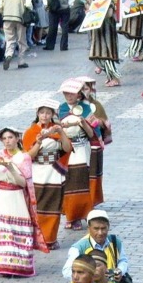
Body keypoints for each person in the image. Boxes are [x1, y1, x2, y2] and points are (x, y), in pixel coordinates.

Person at [0, 127, 48, 277]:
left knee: (19, 230)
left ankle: (20, 266)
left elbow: (23, 183)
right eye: (4, 138)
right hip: (1, 197)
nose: (7, 141)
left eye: (10, 137)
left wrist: (10, 168)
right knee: (3, 230)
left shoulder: (24, 158)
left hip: (16, 196)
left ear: (17, 139)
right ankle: (5, 265)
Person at [22, 99, 72, 249]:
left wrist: (60, 132)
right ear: (37, 114)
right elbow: (28, 156)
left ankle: (50, 238)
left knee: (53, 206)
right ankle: (36, 237)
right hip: (38, 171)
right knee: (37, 205)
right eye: (42, 112)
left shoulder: (55, 130)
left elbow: (67, 148)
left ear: (52, 114)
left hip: (54, 171)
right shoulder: (31, 132)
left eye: (48, 113)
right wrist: (39, 141)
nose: (44, 116)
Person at [56, 79, 98, 229]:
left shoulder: (86, 109)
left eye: (72, 93)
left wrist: (82, 122)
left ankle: (80, 215)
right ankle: (69, 215)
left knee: (80, 180)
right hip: (65, 148)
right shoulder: (59, 109)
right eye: (66, 93)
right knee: (67, 182)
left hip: (81, 147)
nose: (69, 96)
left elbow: (92, 132)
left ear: (78, 94)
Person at [61, 209, 130, 283]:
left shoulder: (115, 242)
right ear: (89, 228)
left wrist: (120, 271)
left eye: (103, 228)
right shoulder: (78, 248)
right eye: (96, 229)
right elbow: (66, 271)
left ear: (108, 227)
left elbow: (123, 261)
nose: (100, 233)